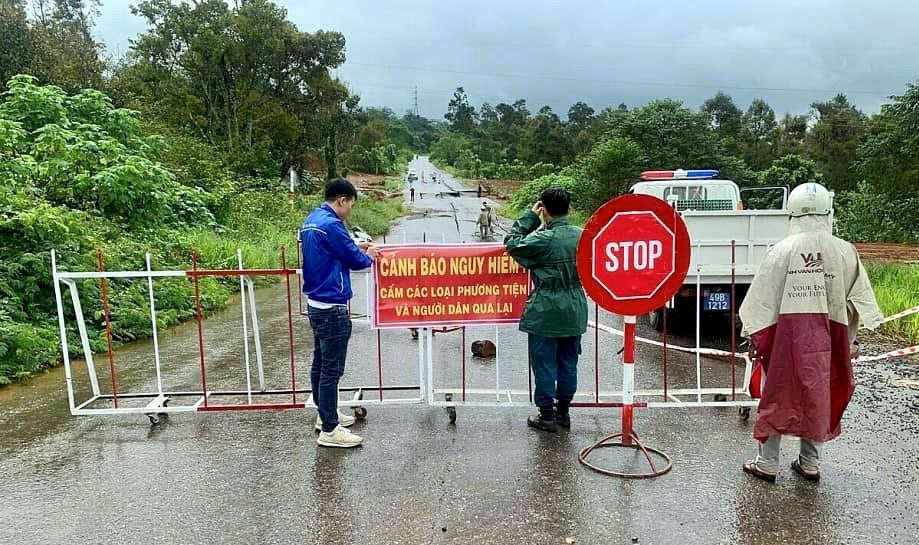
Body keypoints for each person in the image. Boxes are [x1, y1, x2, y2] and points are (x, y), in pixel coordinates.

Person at [739, 182, 883, 482]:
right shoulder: (845, 251)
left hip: (785, 341)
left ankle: (766, 464)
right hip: (829, 341)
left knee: (776, 394)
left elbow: (761, 301)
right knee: (821, 395)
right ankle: (810, 464)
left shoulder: (781, 250)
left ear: (792, 214)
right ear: (828, 213)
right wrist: (853, 340)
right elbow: (861, 301)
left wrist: (753, 338)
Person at [300, 178, 379, 448]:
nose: (350, 211)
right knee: (331, 370)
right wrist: (370, 255)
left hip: (315, 304)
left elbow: (336, 252)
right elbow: (354, 260)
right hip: (332, 306)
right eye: (350, 205)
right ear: (342, 200)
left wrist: (357, 248)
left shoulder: (312, 220)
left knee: (320, 363)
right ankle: (330, 431)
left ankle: (325, 416)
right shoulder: (332, 224)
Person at [504, 188, 588, 432]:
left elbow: (513, 243)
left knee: (544, 362)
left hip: (546, 309)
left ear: (544, 211)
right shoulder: (583, 236)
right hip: (575, 307)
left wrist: (530, 218)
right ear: (569, 209)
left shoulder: (542, 240)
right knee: (568, 361)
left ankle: (546, 415)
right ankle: (564, 413)